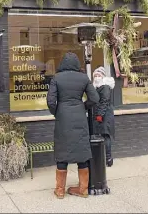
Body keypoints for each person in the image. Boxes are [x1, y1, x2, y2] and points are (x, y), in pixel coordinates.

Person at [47, 52, 99, 199]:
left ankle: (60, 190)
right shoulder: (83, 78)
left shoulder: (57, 78)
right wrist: (83, 106)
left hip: (63, 117)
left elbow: (51, 101)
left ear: (63, 63)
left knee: (62, 152)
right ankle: (83, 189)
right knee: (81, 152)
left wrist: (57, 112)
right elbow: (95, 98)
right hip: (79, 116)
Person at [92, 66, 116, 167]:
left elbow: (104, 102)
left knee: (106, 136)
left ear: (103, 76)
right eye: (95, 75)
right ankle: (103, 158)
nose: (97, 77)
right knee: (101, 136)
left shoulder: (105, 86)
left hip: (105, 115)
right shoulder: (96, 87)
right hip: (101, 115)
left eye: (99, 75)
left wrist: (100, 115)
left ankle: (108, 158)